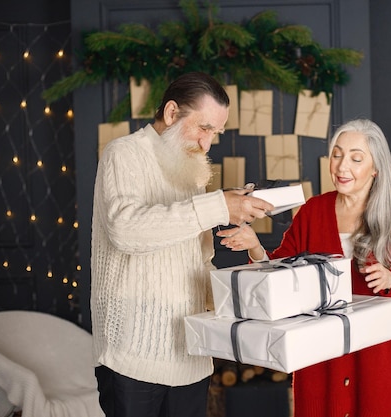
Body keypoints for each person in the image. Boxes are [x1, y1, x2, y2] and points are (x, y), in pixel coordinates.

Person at [217, 118, 391, 417]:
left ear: (375, 167)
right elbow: (282, 273)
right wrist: (255, 247)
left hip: (380, 367)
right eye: (337, 154)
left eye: (356, 158)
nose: (341, 166)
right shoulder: (314, 211)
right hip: (322, 364)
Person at [90, 71, 274, 417]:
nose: (207, 144)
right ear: (172, 113)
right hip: (133, 356)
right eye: (204, 128)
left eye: (215, 133)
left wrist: (246, 246)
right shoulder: (123, 153)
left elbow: (195, 261)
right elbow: (126, 231)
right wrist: (219, 205)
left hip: (191, 353)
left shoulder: (188, 170)